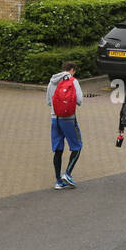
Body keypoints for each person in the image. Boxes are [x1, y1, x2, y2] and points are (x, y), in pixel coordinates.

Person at [46, 60, 83, 190]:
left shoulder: (52, 81)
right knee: (77, 146)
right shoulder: (73, 81)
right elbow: (79, 100)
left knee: (58, 149)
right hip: (68, 119)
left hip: (54, 118)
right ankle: (67, 174)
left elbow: (48, 102)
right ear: (72, 70)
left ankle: (58, 181)